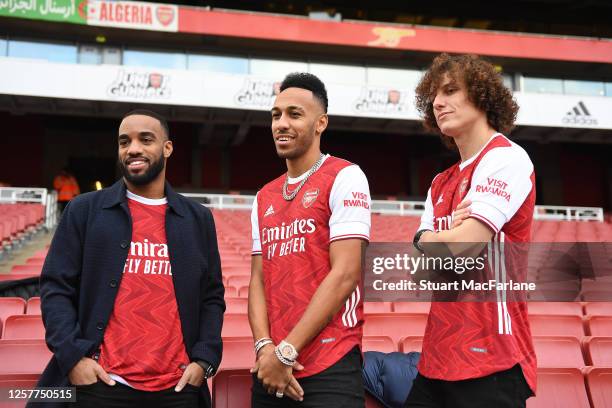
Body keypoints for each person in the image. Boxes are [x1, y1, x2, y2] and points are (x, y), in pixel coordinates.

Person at [33, 109, 225, 408]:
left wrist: (204, 360)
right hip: (100, 384)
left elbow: (211, 297)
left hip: (178, 389)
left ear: (167, 148)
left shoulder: (197, 219)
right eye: (124, 142)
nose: (133, 148)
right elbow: (56, 289)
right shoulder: (84, 211)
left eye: (145, 139)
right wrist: (74, 359)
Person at [406, 54, 536, 407]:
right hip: (435, 361)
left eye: (450, 91)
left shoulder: (506, 157)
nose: (437, 102)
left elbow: (464, 248)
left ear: (481, 96)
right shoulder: (439, 183)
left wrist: (431, 241)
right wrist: (438, 241)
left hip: (492, 359)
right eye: (433, 95)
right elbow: (420, 275)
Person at [248, 72, 372, 407]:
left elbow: (346, 274)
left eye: (294, 114)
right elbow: (258, 280)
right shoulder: (263, 196)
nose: (281, 124)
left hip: (329, 363)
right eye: (276, 115)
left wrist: (287, 351)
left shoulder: (346, 176)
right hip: (270, 370)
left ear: (320, 123)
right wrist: (265, 348)